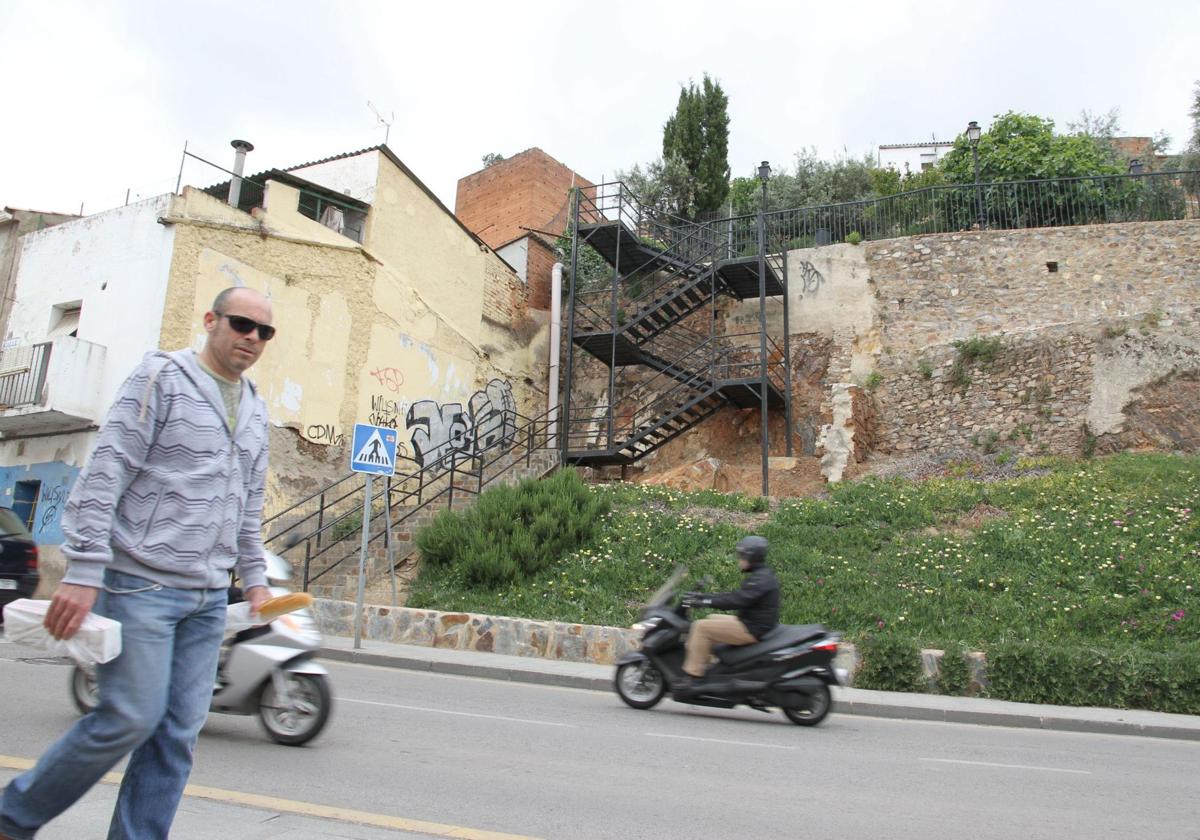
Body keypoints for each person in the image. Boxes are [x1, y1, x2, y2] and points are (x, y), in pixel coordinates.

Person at [0, 287, 275, 840]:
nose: (252, 338)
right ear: (211, 321)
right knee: (130, 716)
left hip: (206, 597)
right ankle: (12, 817)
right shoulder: (161, 379)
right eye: (243, 324)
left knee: (177, 734)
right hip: (138, 584)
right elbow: (108, 470)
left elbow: (250, 501)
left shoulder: (255, 409)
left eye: (264, 332)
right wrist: (83, 571)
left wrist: (256, 580)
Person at [676, 535, 780, 691]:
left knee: (701, 627)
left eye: (742, 556)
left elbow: (736, 601)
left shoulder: (760, 580)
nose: (739, 559)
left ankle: (693, 677)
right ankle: (709, 665)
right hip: (750, 622)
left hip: (751, 629)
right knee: (711, 619)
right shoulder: (761, 576)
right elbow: (735, 596)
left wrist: (705, 601)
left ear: (751, 557)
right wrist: (704, 598)